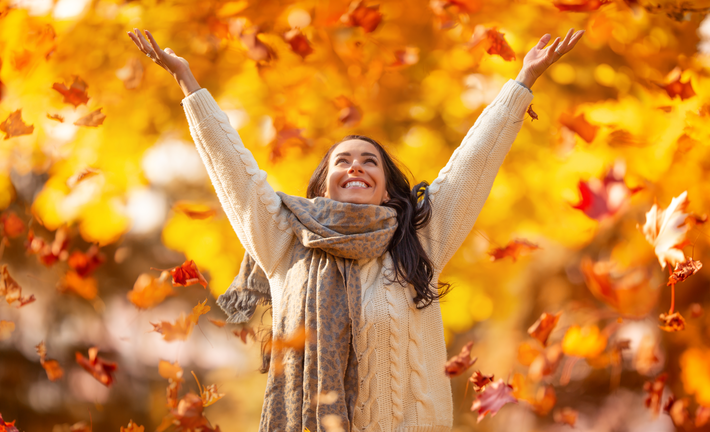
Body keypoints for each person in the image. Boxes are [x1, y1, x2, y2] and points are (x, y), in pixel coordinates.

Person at [128, 26, 584, 432]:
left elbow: (470, 168)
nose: (356, 167)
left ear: (386, 190)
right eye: (342, 161)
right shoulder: (286, 243)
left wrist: (521, 83)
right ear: (324, 186)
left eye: (370, 162)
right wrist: (189, 83)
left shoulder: (418, 243)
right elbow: (236, 174)